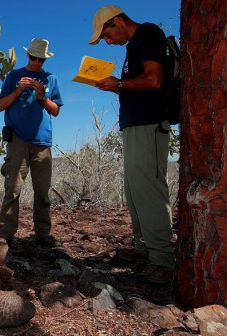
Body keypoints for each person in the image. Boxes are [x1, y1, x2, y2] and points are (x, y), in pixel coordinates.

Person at [89, 5, 175, 284]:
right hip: (136, 126)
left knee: (149, 191)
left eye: (106, 35)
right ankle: (143, 248)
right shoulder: (134, 45)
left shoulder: (148, 33)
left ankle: (163, 260)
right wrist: (117, 85)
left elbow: (154, 79)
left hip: (149, 124)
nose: (108, 42)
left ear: (118, 21)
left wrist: (120, 85)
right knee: (135, 190)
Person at [0, 38, 64, 248]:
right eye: (34, 58)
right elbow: (0, 105)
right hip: (17, 139)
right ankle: (6, 235)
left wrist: (42, 97)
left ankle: (43, 234)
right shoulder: (14, 76)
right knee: (13, 189)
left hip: (42, 141)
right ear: (28, 56)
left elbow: (56, 110)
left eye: (41, 60)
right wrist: (18, 90)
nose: (37, 63)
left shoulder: (51, 79)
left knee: (43, 191)